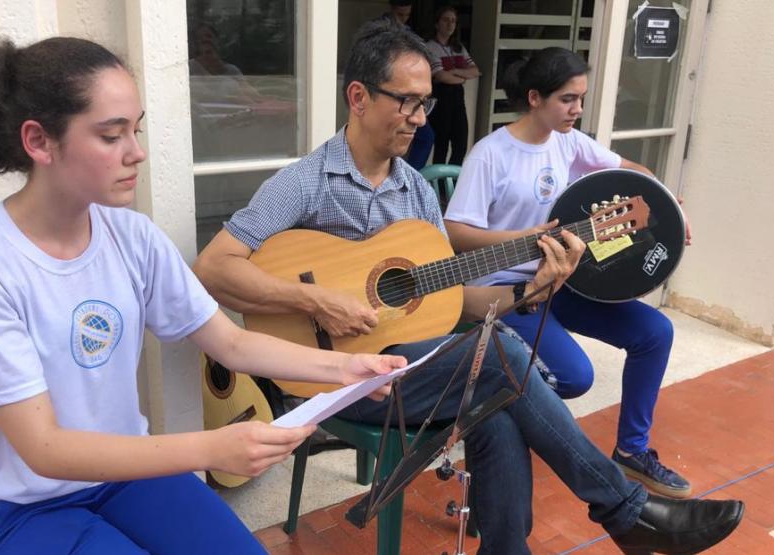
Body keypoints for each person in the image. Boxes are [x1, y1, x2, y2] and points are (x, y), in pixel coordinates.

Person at [194, 21, 742, 555]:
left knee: (498, 405)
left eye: (425, 103)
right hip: (330, 378)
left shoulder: (414, 191)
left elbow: (458, 302)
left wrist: (537, 287)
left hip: (405, 369)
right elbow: (214, 268)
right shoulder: (305, 182)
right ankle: (626, 512)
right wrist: (314, 299)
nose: (418, 119)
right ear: (358, 97)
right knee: (500, 356)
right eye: (406, 102)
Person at [0, 35, 408, 555]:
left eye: (136, 129)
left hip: (122, 475)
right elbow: (44, 450)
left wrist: (342, 370)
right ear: (39, 141)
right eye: (111, 136)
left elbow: (231, 344)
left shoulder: (131, 237)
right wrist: (212, 448)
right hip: (18, 506)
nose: (137, 152)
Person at [444, 47, 693, 500]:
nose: (578, 109)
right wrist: (525, 239)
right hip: (505, 290)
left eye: (581, 98)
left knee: (654, 331)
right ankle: (495, 433)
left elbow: (632, 171)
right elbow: (455, 232)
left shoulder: (569, 142)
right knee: (574, 377)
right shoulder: (491, 155)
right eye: (567, 99)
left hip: (562, 279)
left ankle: (632, 452)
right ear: (535, 97)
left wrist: (667, 206)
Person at [382, 0, 434, 170]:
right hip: (387, 90)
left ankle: (411, 173)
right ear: (392, 9)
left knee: (425, 136)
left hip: (408, 91)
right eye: (400, 15)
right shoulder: (379, 30)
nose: (403, 19)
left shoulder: (408, 32)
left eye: (407, 15)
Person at [425, 5, 480, 165]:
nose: (450, 24)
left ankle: (451, 182)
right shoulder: (429, 47)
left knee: (461, 144)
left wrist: (455, 72)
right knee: (441, 146)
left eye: (453, 21)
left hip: (457, 98)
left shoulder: (458, 47)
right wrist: (462, 76)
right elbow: (441, 76)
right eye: (446, 20)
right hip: (441, 98)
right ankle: (439, 186)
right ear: (437, 23)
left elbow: (476, 71)